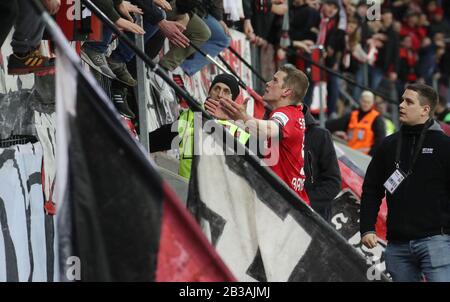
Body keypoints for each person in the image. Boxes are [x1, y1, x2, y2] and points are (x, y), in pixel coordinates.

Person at [360, 83, 450, 282]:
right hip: (398, 245)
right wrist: (367, 227)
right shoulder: (388, 144)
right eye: (402, 100)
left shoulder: (444, 145)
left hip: (436, 241)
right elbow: (371, 189)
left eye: (409, 102)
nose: (401, 105)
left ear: (425, 110)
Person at [206, 64, 310, 202]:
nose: (268, 83)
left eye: (275, 80)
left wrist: (242, 118)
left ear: (286, 92)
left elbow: (265, 131)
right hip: (285, 201)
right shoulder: (293, 114)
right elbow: (261, 141)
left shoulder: (286, 115)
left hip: (286, 205)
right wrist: (236, 119)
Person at [149, 73, 248, 179]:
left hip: (218, 192)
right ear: (209, 92)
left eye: (226, 91)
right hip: (187, 187)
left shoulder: (238, 128)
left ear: (232, 99)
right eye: (216, 88)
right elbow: (162, 137)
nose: (220, 94)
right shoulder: (192, 114)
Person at [302, 104, 341, 221]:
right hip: (274, 215)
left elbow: (333, 183)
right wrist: (251, 124)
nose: (268, 84)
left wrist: (303, 202)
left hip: (309, 220)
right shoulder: (270, 128)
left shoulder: (320, 135)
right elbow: (247, 156)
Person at [326, 90, 386, 156]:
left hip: (365, 157)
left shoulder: (377, 118)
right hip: (350, 154)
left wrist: (371, 156)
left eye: (368, 102)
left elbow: (380, 141)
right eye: (364, 101)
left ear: (372, 103)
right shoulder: (352, 115)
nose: (366, 104)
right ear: (360, 100)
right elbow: (334, 125)